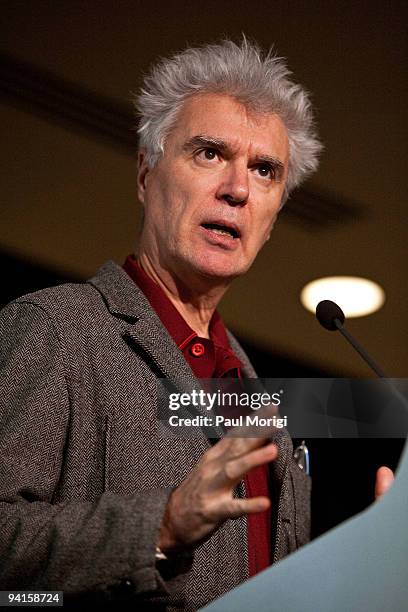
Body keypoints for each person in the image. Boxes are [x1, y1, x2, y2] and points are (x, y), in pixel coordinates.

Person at [0, 38, 394, 610]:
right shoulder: (58, 330)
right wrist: (159, 526)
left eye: (264, 170)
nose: (237, 190)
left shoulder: (259, 397)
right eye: (209, 153)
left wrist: (365, 566)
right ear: (145, 174)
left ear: (274, 215)